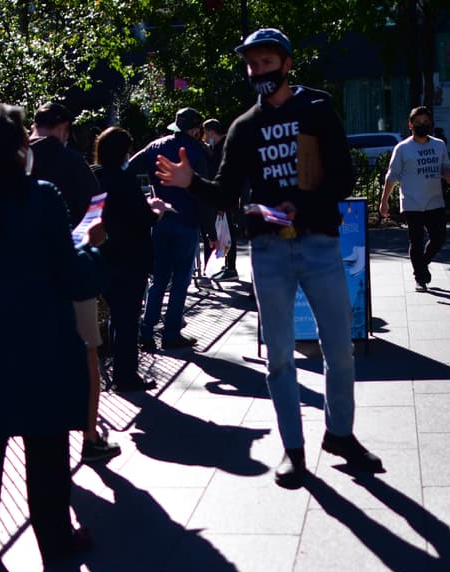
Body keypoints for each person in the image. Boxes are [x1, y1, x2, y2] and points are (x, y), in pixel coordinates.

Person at [156, 27, 382, 488]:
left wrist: (308, 204)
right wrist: (189, 183)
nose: (258, 71)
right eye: (251, 64)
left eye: (265, 62)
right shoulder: (243, 127)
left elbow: (343, 174)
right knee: (279, 357)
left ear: (286, 64)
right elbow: (223, 191)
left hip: (319, 243)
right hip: (269, 252)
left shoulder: (316, 108)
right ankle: (293, 451)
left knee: (340, 350)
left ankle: (340, 435)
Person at [0, 102, 105, 566]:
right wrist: (91, 250)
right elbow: (73, 277)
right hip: (39, 341)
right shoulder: (40, 197)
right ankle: (55, 540)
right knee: (46, 447)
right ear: (15, 149)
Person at [29, 101, 118, 463]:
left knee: (36, 357)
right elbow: (98, 218)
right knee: (87, 354)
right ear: (65, 126)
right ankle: (89, 435)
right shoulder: (73, 163)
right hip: (72, 267)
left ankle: (41, 430)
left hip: (28, 277)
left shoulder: (15, 161)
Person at [131, 106, 214, 351]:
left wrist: (145, 204)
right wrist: (211, 232)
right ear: (196, 129)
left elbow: (127, 172)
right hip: (187, 221)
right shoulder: (198, 152)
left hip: (160, 220)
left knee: (159, 280)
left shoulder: (154, 146)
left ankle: (146, 333)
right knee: (180, 281)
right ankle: (171, 334)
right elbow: (205, 194)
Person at [93, 126, 165, 392]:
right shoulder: (124, 182)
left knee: (114, 315)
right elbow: (143, 217)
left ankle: (116, 367)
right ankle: (126, 375)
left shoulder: (93, 177)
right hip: (129, 258)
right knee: (127, 319)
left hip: (101, 255)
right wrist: (156, 210)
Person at [378, 106, 450, 292]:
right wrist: (384, 201)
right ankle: (420, 278)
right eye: (418, 122)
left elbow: (446, 167)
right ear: (410, 125)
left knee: (439, 237)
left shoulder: (439, 145)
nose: (422, 125)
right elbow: (391, 176)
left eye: (426, 123)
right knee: (416, 240)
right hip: (412, 202)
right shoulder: (403, 149)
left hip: (435, 200)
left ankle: (422, 264)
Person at [201, 117, 242, 283]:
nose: (204, 136)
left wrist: (221, 203)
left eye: (205, 132)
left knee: (229, 232)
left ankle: (231, 267)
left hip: (227, 199)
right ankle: (228, 266)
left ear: (211, 132)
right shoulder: (222, 146)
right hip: (228, 198)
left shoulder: (222, 148)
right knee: (227, 232)